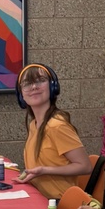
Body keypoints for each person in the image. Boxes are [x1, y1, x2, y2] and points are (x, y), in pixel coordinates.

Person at [16, 63, 91, 201]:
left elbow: (85, 166)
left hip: (60, 204)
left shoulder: (56, 126)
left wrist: (44, 170)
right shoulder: (34, 125)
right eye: (27, 84)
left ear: (52, 87)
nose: (34, 87)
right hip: (41, 198)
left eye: (40, 80)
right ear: (21, 95)